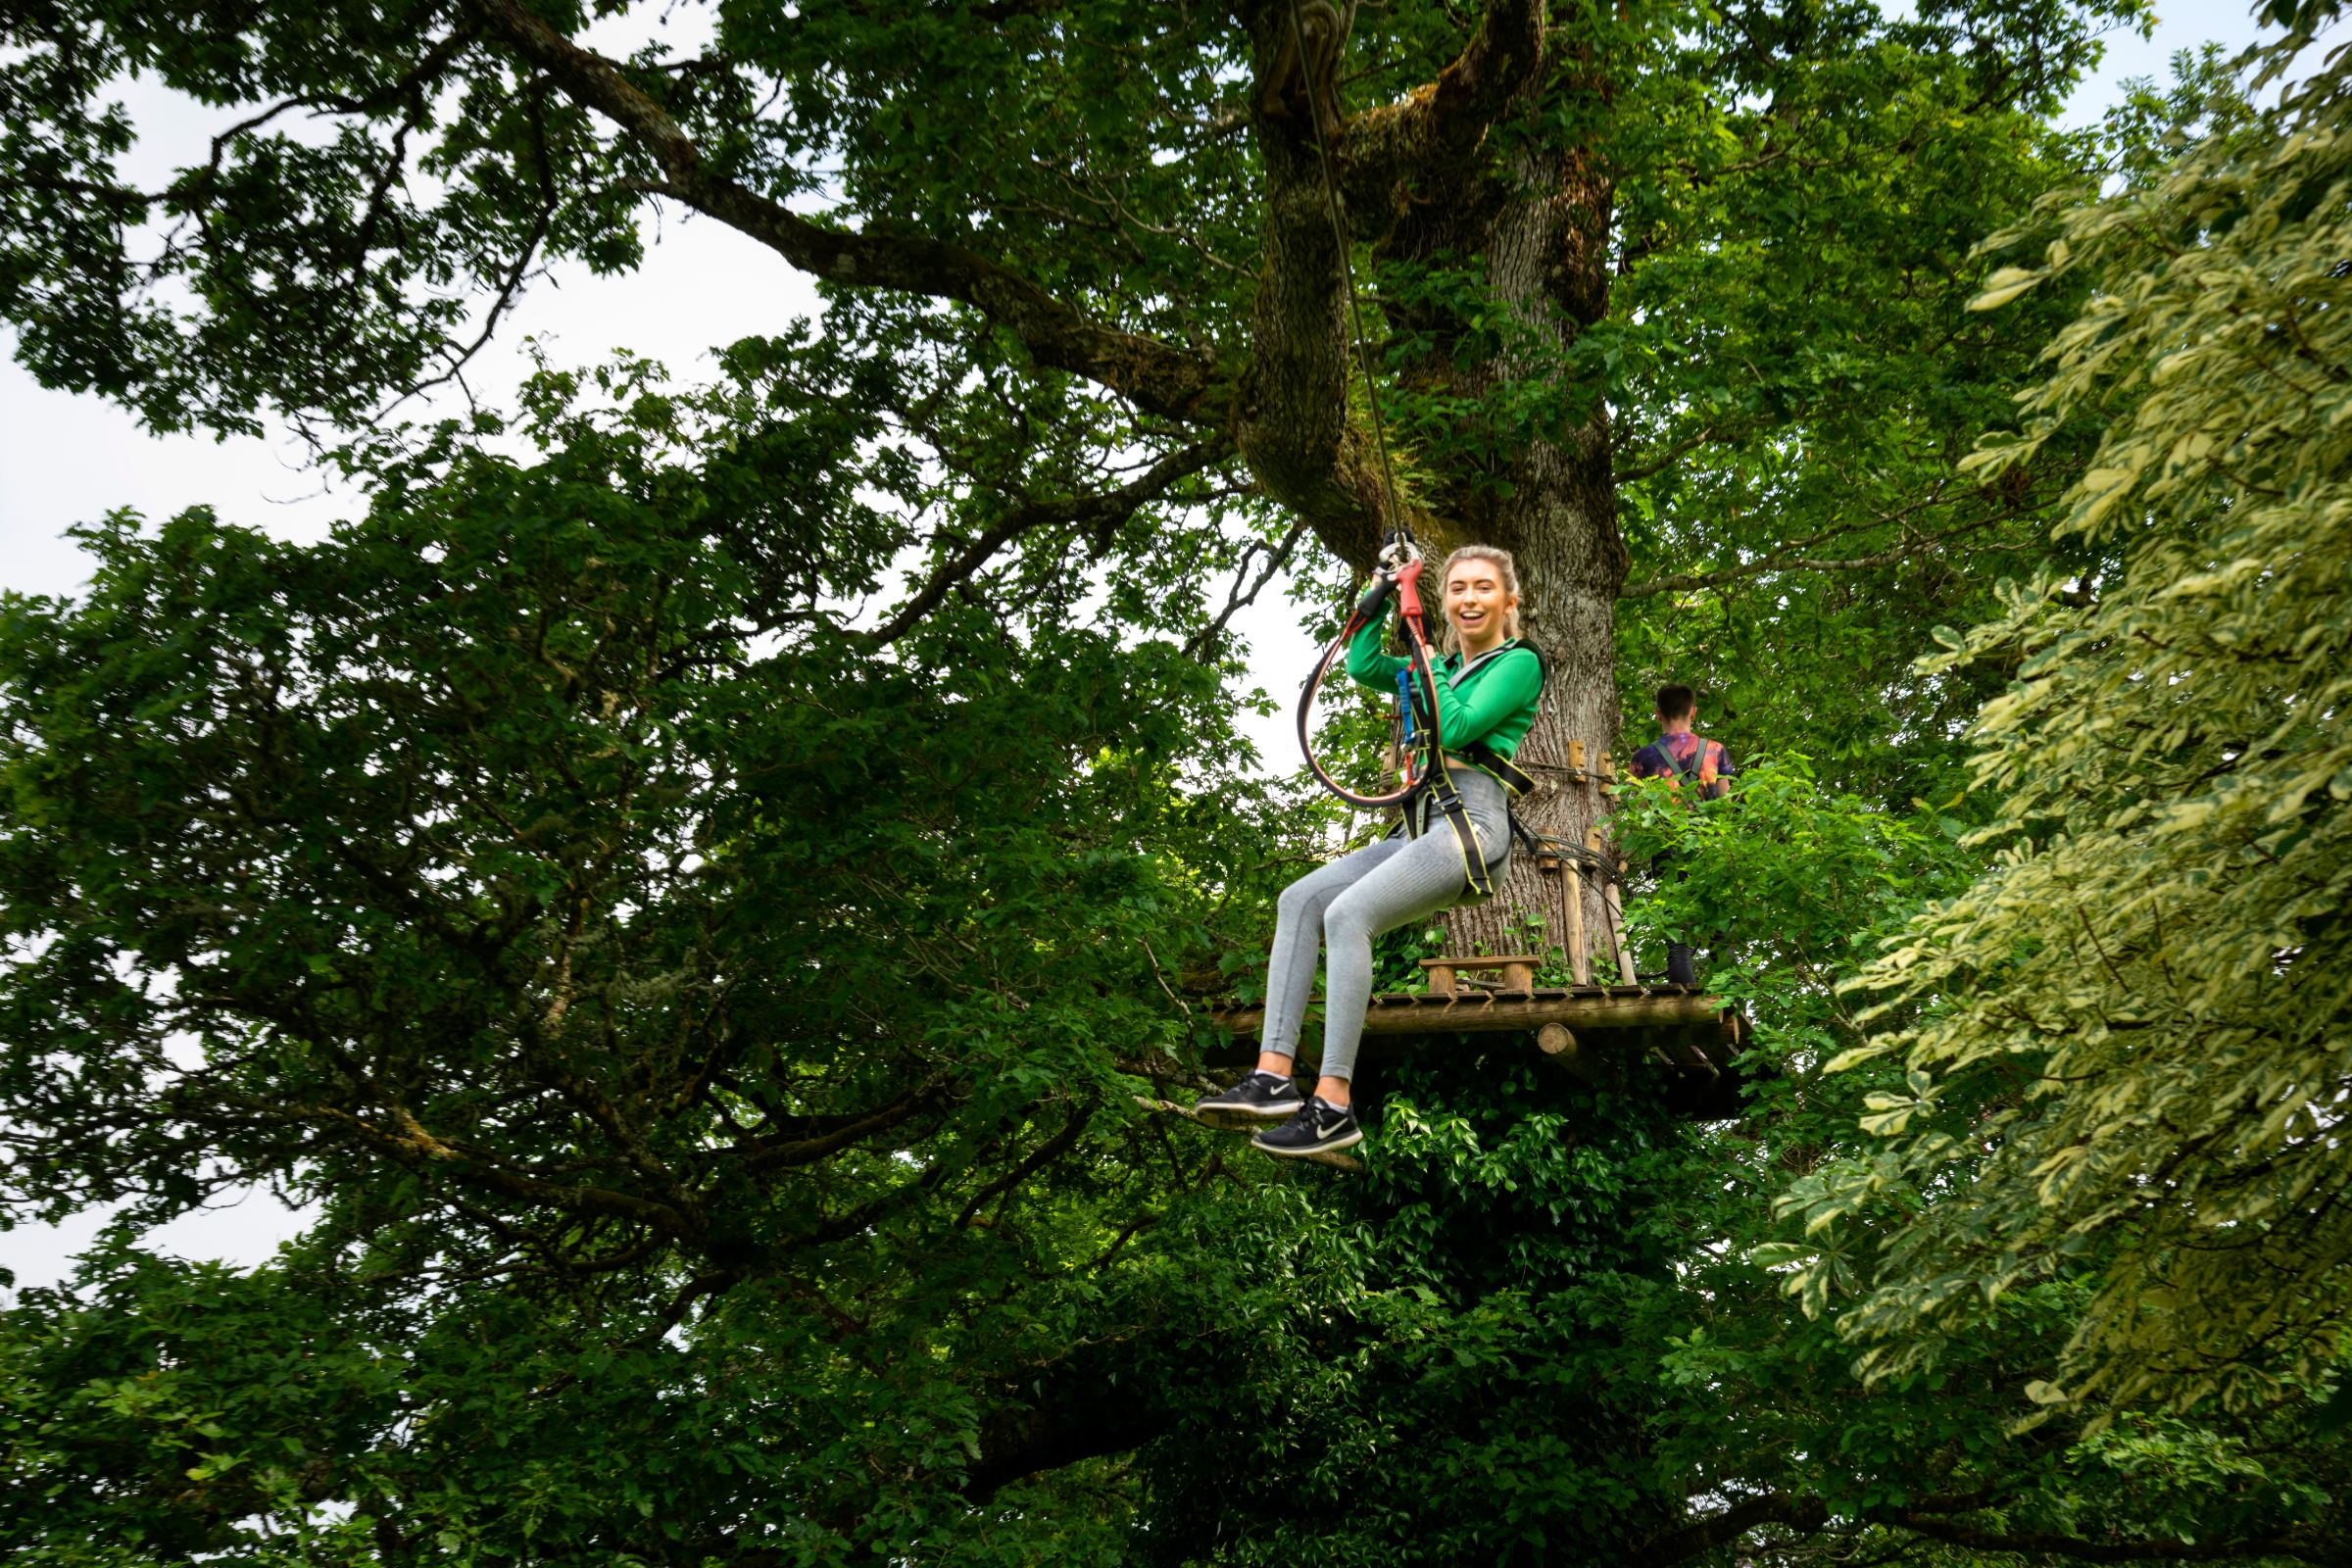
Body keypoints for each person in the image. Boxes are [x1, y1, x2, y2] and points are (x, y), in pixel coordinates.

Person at [1196, 545, 1544, 1156]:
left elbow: (1457, 727)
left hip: (1470, 825)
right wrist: (1380, 592)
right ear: (1443, 601)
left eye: (1483, 588)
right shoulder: (1434, 667)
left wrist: (1427, 655)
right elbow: (1360, 666)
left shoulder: (1519, 663)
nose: (1468, 598)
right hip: (1418, 824)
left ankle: (1332, 1103)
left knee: (1347, 914)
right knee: (1300, 900)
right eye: (1457, 587)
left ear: (1508, 602)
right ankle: (1273, 1076)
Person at [1628, 683, 1733, 986]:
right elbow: (1725, 805)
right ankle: (1732, 997)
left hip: (1667, 847)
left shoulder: (1643, 758)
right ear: (1693, 712)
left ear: (1657, 714)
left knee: (1678, 941)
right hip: (1711, 847)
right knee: (1720, 933)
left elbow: (1642, 810)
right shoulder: (1715, 751)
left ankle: (1683, 997)